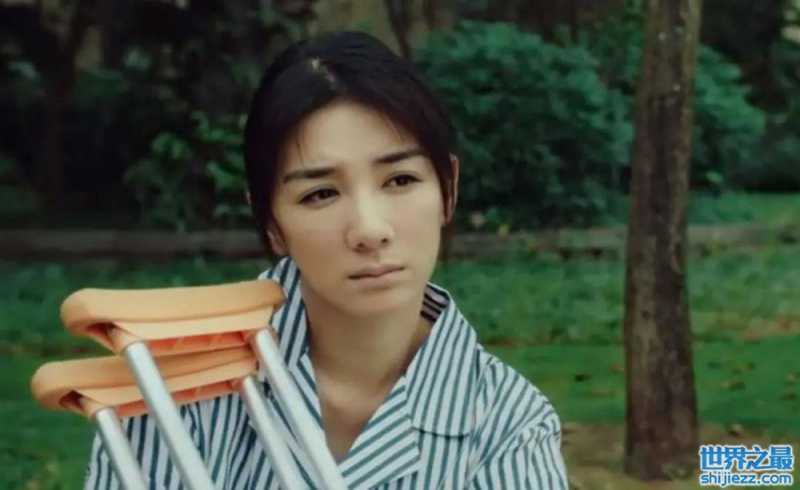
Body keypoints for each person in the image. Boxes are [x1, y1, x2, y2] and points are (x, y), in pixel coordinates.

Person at [85, 31, 567, 489]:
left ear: (448, 188)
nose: (370, 230)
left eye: (400, 180)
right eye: (321, 194)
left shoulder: (509, 425)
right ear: (271, 222)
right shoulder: (173, 386)